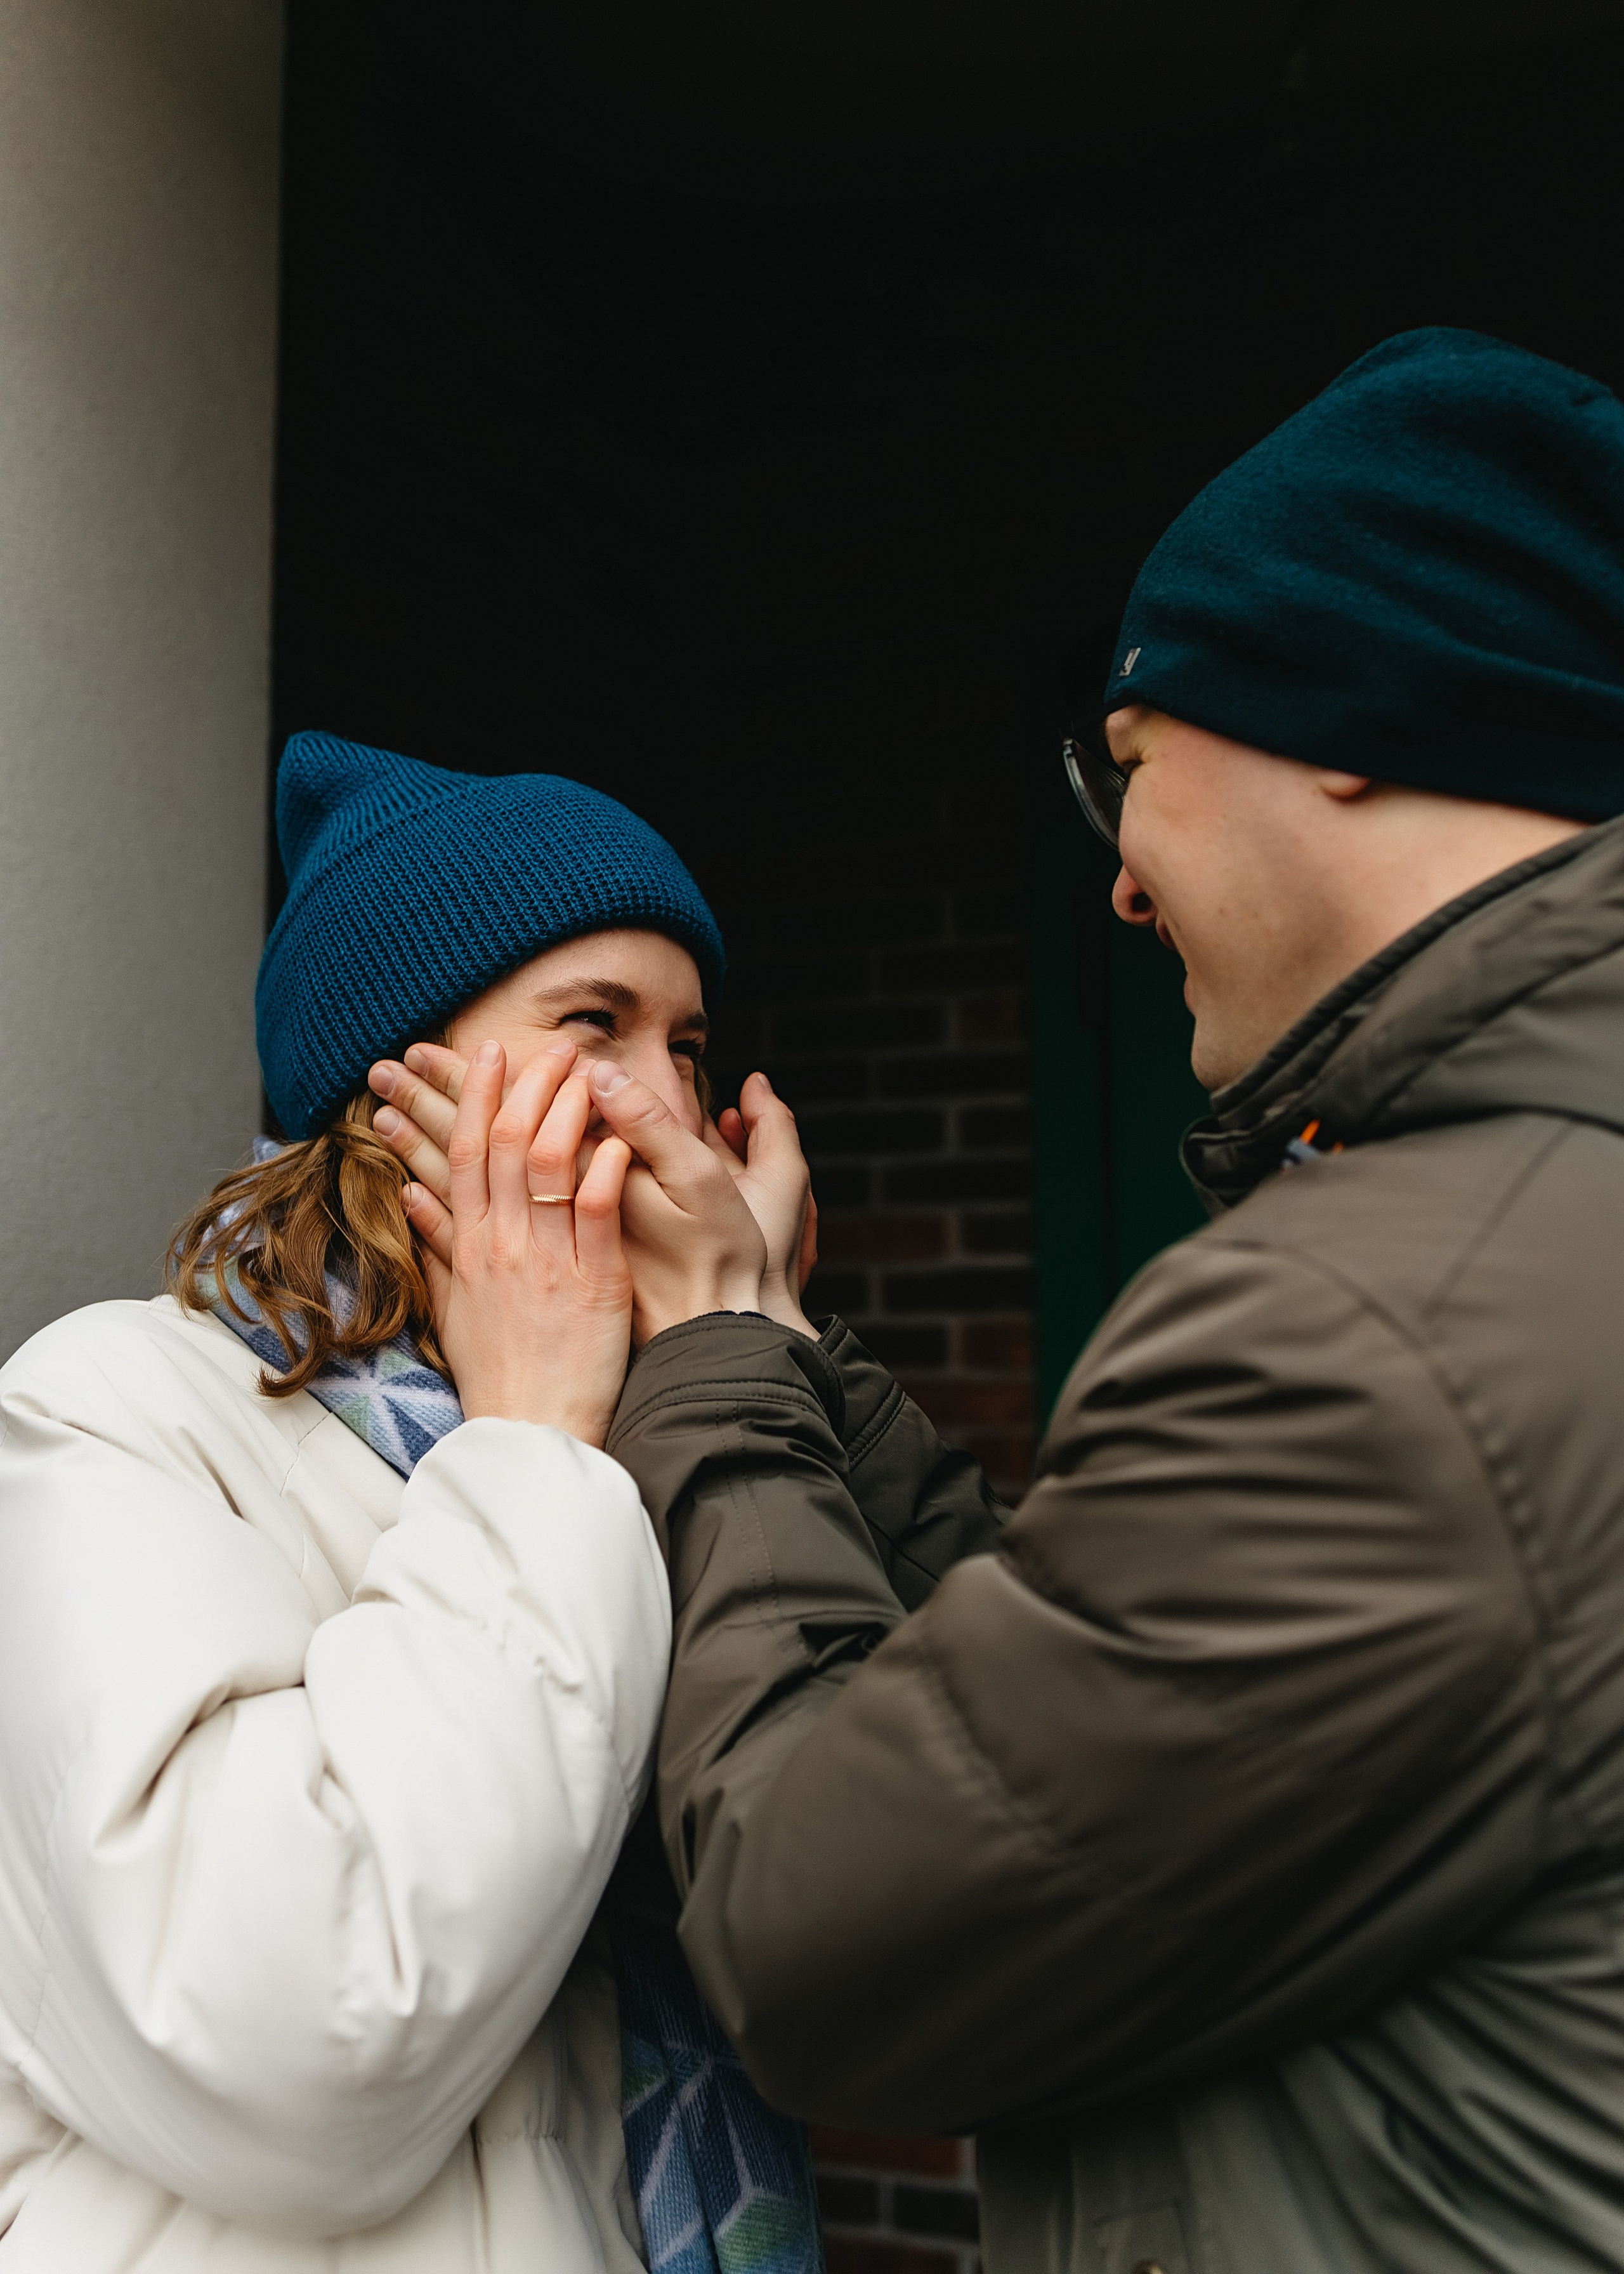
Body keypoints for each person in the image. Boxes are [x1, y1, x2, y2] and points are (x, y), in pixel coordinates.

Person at [376, 329, 1624, 2273]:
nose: (1119, 881)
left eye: (1127, 765)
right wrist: (777, 1341)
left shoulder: (1399, 1333)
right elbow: (1069, 1711)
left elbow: (830, 1936)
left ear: (1343, 709)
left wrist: (716, 1352)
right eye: (586, 1027)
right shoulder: (139, 1421)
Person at [0, 733, 822, 2272]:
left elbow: (849, 1893)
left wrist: (753, 1369)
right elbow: (298, 2034)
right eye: (594, 1024)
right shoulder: (114, 1410)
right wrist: (530, 1448)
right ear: (396, 1093)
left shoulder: (674, 1435)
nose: (668, 1105)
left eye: (692, 1048)